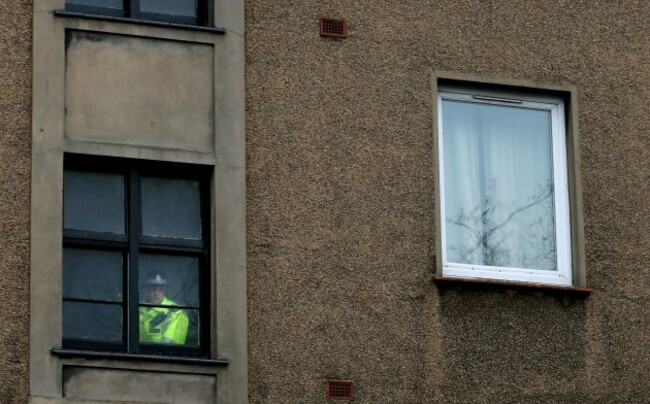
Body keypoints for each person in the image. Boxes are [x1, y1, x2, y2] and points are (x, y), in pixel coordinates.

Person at [139, 272, 189, 345]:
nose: (157, 293)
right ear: (147, 290)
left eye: (160, 289)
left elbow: (169, 344)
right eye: (153, 289)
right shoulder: (137, 309)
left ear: (165, 290)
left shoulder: (176, 312)